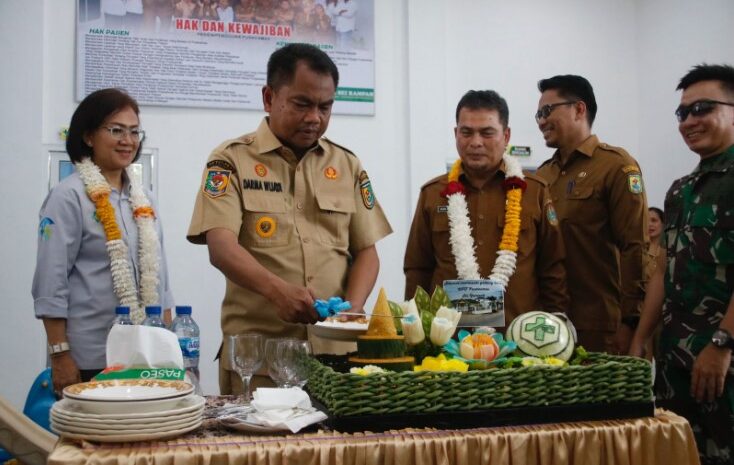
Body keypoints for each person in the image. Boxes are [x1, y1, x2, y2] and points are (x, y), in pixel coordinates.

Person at [187, 43, 392, 394]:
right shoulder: (230, 159)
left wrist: (353, 311)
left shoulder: (347, 165)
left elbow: (367, 252)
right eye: (302, 104)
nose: (315, 117)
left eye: (325, 107)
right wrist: (277, 292)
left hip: (337, 359)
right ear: (269, 98)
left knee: (339, 450)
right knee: (262, 450)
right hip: (261, 360)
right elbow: (221, 247)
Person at [32, 88, 175, 395]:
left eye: (134, 131)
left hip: (145, 354)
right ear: (88, 136)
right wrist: (60, 355)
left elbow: (161, 282)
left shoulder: (143, 197)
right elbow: (51, 281)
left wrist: (170, 348)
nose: (128, 140)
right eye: (116, 130)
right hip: (90, 356)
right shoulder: (68, 196)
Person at [630, 63, 734, 465]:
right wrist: (642, 337)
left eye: (702, 108)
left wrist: (722, 345)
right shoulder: (682, 190)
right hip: (676, 360)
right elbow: (663, 269)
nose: (689, 120)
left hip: (723, 360)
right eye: (683, 112)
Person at [404, 90, 569, 323]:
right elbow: (417, 269)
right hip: (446, 344)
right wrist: (415, 330)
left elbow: (552, 269)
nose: (476, 142)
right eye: (466, 132)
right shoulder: (433, 194)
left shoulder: (535, 192)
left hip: (519, 343)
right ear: (456, 134)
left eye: (487, 133)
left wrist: (557, 322)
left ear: (506, 135)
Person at [535, 74, 648, 354]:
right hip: (546, 325)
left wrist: (631, 320)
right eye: (537, 114)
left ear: (579, 109)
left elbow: (635, 247)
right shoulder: (542, 175)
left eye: (547, 111)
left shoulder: (615, 166)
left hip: (600, 326)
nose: (540, 121)